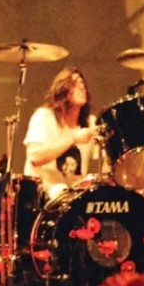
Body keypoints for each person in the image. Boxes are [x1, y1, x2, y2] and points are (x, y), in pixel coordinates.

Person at [23, 67, 98, 199]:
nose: (82, 88)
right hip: (42, 195)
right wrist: (73, 139)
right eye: (75, 84)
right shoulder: (44, 117)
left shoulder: (90, 123)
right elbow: (34, 157)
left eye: (83, 84)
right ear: (63, 90)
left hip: (74, 197)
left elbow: (105, 161)